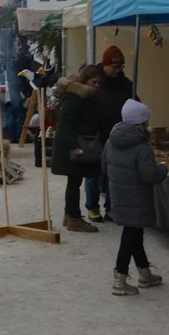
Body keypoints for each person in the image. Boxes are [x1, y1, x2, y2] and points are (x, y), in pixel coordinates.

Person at [102, 99, 166, 295]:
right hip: (137, 197)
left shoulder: (111, 141)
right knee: (130, 236)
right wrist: (163, 169)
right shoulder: (142, 147)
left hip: (119, 195)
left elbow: (104, 167)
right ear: (142, 123)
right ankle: (119, 280)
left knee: (135, 233)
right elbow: (149, 176)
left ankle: (145, 274)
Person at [52, 65, 104, 234]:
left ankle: (70, 215)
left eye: (98, 82)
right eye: (93, 81)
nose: (96, 85)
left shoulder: (83, 95)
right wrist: (74, 146)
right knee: (74, 181)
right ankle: (74, 217)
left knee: (74, 181)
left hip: (76, 144)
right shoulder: (76, 97)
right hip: (75, 146)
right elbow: (65, 122)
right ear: (85, 80)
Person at [91, 45, 134, 222]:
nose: (118, 70)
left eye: (120, 67)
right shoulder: (95, 81)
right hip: (96, 134)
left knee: (112, 174)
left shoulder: (126, 85)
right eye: (115, 67)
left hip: (117, 135)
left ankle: (110, 207)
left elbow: (134, 104)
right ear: (105, 65)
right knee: (93, 173)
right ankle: (92, 207)